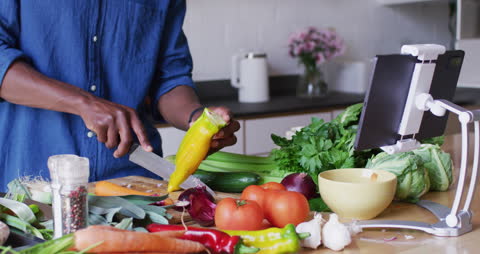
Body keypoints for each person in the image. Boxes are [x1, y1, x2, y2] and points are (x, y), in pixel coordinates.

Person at [0, 0, 240, 191]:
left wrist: (196, 118)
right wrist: (84, 103)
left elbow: (170, 77)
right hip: (35, 184)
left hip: (135, 186)